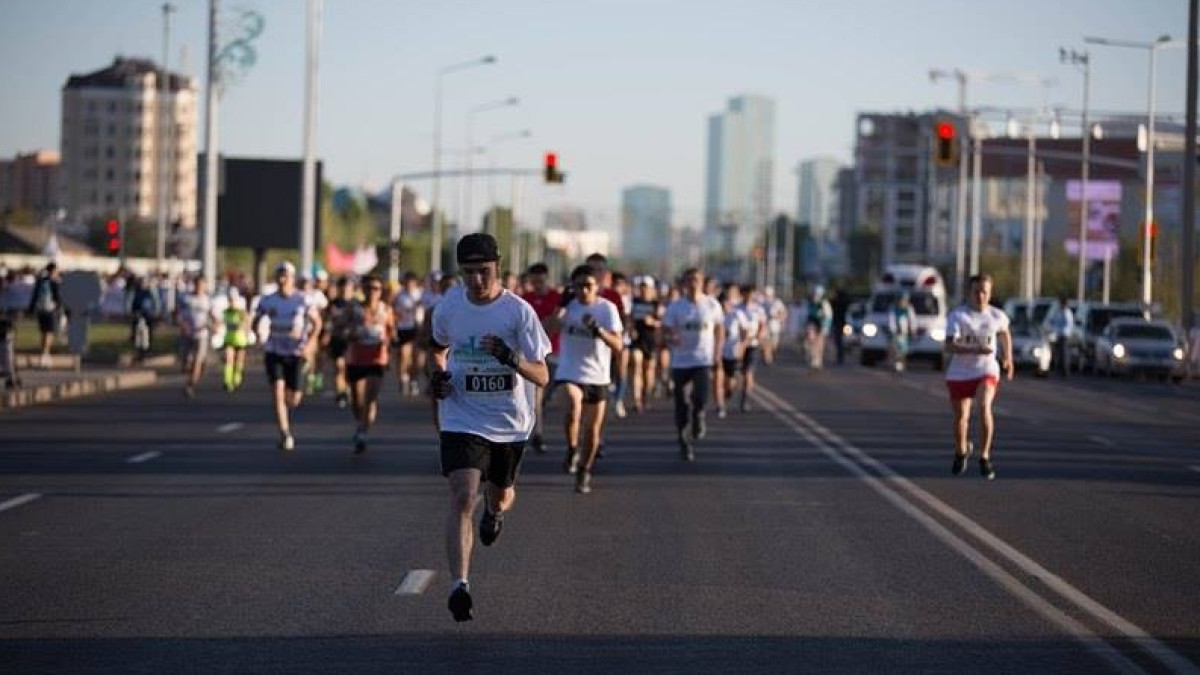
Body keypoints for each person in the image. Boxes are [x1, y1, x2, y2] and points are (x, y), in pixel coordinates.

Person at [429, 233, 550, 622]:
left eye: (483, 272)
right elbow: (436, 348)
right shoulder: (449, 307)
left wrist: (511, 358)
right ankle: (459, 585)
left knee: (498, 497)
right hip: (462, 416)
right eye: (468, 273)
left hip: (509, 423)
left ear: (498, 267)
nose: (477, 281)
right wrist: (439, 376)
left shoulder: (518, 313)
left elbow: (543, 375)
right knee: (463, 495)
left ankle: (495, 514)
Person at [551, 265, 623, 493]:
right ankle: (572, 448)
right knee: (573, 404)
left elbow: (619, 345)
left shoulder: (607, 309)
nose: (583, 290)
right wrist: (560, 308)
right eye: (578, 285)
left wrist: (599, 332)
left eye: (588, 286)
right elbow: (546, 329)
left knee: (592, 429)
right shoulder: (567, 307)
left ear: (597, 287)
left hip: (597, 375)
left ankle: (584, 470)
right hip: (569, 370)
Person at [944, 274, 1013, 481]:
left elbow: (1004, 333)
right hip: (960, 372)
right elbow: (949, 345)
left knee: (984, 406)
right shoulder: (958, 316)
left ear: (990, 293)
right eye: (976, 291)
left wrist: (1008, 357)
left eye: (985, 291)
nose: (980, 296)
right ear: (970, 292)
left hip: (986, 370)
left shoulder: (997, 316)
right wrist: (974, 348)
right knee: (961, 418)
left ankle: (984, 456)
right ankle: (961, 450)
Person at [252, 262, 323, 450]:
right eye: (279, 275)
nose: (282, 279)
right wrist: (259, 335)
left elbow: (317, 323)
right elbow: (256, 320)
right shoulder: (268, 300)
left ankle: (299, 385)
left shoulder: (303, 300)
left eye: (286, 275)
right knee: (277, 391)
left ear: (292, 278)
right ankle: (285, 433)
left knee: (293, 399)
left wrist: (310, 343)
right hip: (274, 349)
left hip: (296, 351)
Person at [662, 267, 724, 461]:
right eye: (689, 280)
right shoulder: (676, 307)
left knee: (701, 397)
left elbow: (720, 329)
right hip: (681, 360)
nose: (693, 283)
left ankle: (698, 416)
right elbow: (666, 329)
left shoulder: (712, 305)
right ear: (684, 283)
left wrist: (717, 353)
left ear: (702, 282)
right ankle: (683, 441)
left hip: (703, 360)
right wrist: (671, 336)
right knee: (681, 402)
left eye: (696, 279)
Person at [345, 275, 395, 454]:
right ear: (363, 290)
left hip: (377, 358)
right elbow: (341, 327)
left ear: (381, 291)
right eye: (368, 288)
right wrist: (350, 333)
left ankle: (362, 431)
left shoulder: (386, 309)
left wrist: (388, 347)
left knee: (371, 398)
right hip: (356, 358)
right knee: (357, 400)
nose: (372, 292)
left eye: (376, 289)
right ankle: (360, 423)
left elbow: (392, 333)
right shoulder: (354, 308)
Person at [519, 262, 562, 453]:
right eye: (534, 282)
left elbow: (558, 323)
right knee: (536, 395)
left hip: (556, 352)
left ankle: (537, 426)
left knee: (546, 395)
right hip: (533, 355)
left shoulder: (556, 298)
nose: (537, 285)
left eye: (540, 281)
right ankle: (537, 433)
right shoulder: (524, 299)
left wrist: (547, 324)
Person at [177, 276, 216, 399]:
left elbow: (213, 315)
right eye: (198, 284)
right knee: (186, 360)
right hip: (187, 333)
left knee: (198, 360)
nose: (200, 287)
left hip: (202, 334)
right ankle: (190, 374)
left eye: (202, 285)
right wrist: (183, 325)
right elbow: (178, 314)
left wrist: (216, 324)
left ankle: (191, 384)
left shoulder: (208, 300)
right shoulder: (187, 299)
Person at [628, 276, 663, 413]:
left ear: (651, 289)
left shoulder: (656, 304)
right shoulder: (635, 302)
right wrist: (630, 329)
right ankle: (637, 400)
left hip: (651, 340)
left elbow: (662, 322)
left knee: (648, 371)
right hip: (637, 339)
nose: (644, 290)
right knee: (636, 365)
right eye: (642, 287)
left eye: (646, 287)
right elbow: (630, 319)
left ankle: (645, 396)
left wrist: (652, 322)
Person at [323, 276, 356, 408]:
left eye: (348, 289)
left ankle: (347, 389)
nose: (345, 292)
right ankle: (340, 393)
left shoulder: (356, 304)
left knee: (348, 369)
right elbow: (327, 320)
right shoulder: (333, 304)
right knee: (339, 366)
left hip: (351, 341)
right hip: (337, 339)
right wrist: (326, 335)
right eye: (343, 289)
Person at [391, 272, 425, 397]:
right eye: (407, 282)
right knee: (405, 355)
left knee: (418, 359)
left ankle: (414, 380)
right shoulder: (399, 295)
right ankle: (403, 378)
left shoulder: (421, 294)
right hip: (403, 328)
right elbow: (393, 312)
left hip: (417, 328)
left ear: (415, 283)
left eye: (412, 282)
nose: (409, 285)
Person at [737, 284, 768, 412]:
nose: (749, 296)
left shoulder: (758, 309)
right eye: (746, 293)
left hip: (752, 345)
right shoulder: (737, 308)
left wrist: (759, 336)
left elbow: (763, 325)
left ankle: (746, 397)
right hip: (738, 345)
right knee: (735, 374)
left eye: (751, 293)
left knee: (748, 373)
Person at [27, 263, 62, 367]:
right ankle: (45, 354)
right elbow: (57, 297)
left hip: (40, 309)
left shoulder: (41, 281)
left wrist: (31, 309)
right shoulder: (53, 282)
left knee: (44, 332)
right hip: (49, 309)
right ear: (53, 270)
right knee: (49, 333)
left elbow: (35, 295)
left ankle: (44, 353)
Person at [125, 275, 163, 363]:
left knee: (147, 333)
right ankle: (139, 350)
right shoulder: (135, 291)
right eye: (142, 282)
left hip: (148, 315)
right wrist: (130, 312)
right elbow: (129, 302)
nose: (143, 284)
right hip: (138, 314)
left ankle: (145, 350)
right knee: (138, 332)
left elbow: (156, 301)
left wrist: (156, 312)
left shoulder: (151, 291)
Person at [220, 286, 250, 392]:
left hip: (240, 339)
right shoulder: (225, 312)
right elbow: (220, 324)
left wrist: (247, 333)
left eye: (233, 299)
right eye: (230, 299)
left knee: (239, 359)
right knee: (229, 358)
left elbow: (247, 322)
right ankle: (227, 381)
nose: (231, 301)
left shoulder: (241, 312)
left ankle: (237, 377)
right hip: (229, 339)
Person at [1043, 295, 1074, 378]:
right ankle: (1059, 369)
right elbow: (1053, 320)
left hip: (1064, 335)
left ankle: (1065, 371)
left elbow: (1068, 324)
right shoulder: (1059, 311)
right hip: (1057, 335)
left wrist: (1058, 329)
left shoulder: (1067, 312)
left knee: (1064, 353)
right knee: (1058, 353)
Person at [803, 285, 832, 370]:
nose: (816, 295)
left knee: (819, 343)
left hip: (820, 325)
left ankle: (818, 360)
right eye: (815, 294)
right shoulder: (809, 303)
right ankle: (812, 357)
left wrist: (826, 327)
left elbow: (828, 316)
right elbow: (805, 314)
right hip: (811, 324)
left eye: (818, 294)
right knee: (810, 341)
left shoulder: (824, 303)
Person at [888, 293, 916, 373]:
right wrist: (894, 330)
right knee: (896, 349)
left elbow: (912, 319)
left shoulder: (909, 308)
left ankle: (902, 365)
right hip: (896, 333)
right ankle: (896, 364)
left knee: (904, 350)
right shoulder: (894, 308)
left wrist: (912, 329)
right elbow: (891, 320)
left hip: (904, 333)